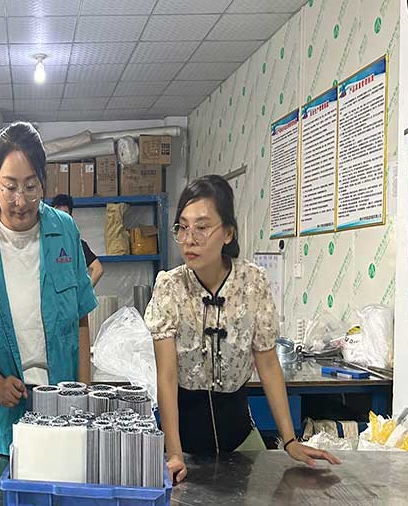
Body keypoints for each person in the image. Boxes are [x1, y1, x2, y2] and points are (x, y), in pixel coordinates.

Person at [144, 175, 340, 483]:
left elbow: (268, 364)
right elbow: (166, 377)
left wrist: (290, 440)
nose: (189, 239)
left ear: (228, 233)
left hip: (240, 439)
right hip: (183, 444)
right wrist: (174, 454)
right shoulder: (170, 287)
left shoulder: (252, 282)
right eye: (182, 227)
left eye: (202, 227)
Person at [0, 121, 98, 455]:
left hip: (64, 405)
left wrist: (83, 392)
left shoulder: (65, 231)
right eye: (10, 187)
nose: (20, 201)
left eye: (31, 187)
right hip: (7, 412)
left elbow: (81, 319)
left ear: (43, 181)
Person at [50, 193, 104, 286]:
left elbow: (98, 269)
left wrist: (86, 291)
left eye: (64, 214)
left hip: (72, 294)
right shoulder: (45, 243)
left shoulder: (78, 245)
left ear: (70, 218)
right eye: (57, 214)